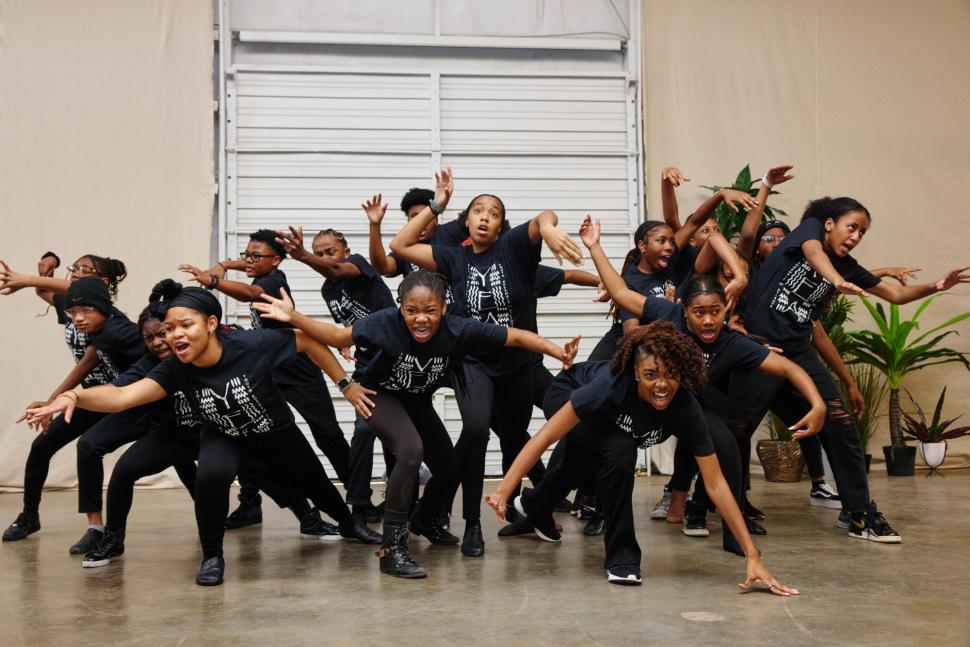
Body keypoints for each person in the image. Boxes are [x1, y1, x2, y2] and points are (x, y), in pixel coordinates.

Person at [26, 283, 382, 586]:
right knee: (211, 476)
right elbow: (122, 396)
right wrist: (73, 396)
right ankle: (212, 556)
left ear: (211, 324)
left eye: (185, 325)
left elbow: (307, 341)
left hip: (275, 433)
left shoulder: (251, 344)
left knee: (315, 482)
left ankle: (349, 525)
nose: (174, 335)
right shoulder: (174, 368)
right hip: (223, 435)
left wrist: (345, 384)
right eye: (169, 329)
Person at [255, 269, 578, 577]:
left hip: (416, 401)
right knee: (410, 451)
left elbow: (516, 336)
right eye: (411, 310)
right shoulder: (382, 324)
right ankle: (392, 548)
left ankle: (423, 519)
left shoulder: (459, 329)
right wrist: (299, 324)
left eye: (430, 311)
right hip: (378, 395)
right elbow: (337, 335)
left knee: (449, 470)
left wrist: (556, 352)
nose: (420, 318)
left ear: (444, 309)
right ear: (401, 308)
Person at [484, 321, 798, 595]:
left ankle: (533, 505)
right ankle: (622, 558)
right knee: (619, 449)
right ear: (636, 373)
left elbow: (715, 483)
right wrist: (503, 489)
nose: (662, 385)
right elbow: (544, 437)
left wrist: (752, 554)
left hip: (606, 420)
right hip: (567, 392)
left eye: (671, 374)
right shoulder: (611, 386)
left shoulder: (685, 408)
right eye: (650, 375)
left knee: (579, 465)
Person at [737, 196, 969, 542]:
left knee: (841, 422)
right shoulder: (809, 230)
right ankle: (711, 506)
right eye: (852, 227)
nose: (856, 236)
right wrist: (835, 279)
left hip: (798, 351)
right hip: (760, 347)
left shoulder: (846, 266)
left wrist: (936, 286)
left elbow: (894, 295)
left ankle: (859, 513)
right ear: (830, 224)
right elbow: (814, 253)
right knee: (736, 428)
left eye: (862, 232)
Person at [580, 216, 826, 540]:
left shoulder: (732, 342)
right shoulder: (670, 313)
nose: (708, 321)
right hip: (646, 399)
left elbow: (789, 368)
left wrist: (818, 403)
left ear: (726, 310)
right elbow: (620, 292)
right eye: (699, 313)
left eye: (715, 312)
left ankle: (732, 527)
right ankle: (594, 508)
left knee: (727, 441)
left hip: (684, 405)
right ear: (686, 311)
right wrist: (594, 247)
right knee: (610, 448)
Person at [389, 167, 584, 557]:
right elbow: (400, 244)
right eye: (478, 210)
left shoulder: (513, 249)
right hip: (473, 363)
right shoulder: (452, 257)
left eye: (493, 214)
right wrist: (436, 206)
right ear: (467, 221)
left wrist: (547, 229)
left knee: (514, 438)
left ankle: (518, 506)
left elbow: (544, 217)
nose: (485, 217)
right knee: (476, 430)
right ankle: (472, 523)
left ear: (500, 226)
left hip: (516, 365)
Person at [179, 229, 358, 529]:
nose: (249, 261)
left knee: (328, 436)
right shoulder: (263, 270)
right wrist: (226, 264)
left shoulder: (273, 281)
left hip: (298, 372)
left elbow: (251, 294)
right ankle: (251, 504)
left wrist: (213, 280)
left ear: (275, 260)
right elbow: (250, 264)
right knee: (249, 435)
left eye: (256, 256)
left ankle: (359, 499)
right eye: (247, 254)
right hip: (268, 372)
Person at [4, 276, 145, 553]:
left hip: (130, 398)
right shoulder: (89, 317)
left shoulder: (117, 328)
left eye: (86, 271)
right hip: (96, 395)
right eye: (72, 311)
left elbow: (93, 358)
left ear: (103, 286)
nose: (77, 317)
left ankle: (211, 512)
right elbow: (55, 293)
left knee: (178, 455)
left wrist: (25, 279)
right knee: (43, 445)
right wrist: (54, 401)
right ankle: (34, 517)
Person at [274, 220, 398, 525]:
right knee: (364, 428)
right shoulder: (327, 290)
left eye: (330, 251)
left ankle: (401, 499)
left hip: (396, 357)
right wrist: (344, 341)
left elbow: (338, 269)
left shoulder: (357, 264)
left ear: (346, 251)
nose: (325, 257)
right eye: (318, 253)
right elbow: (346, 322)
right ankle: (360, 504)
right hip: (368, 364)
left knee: (395, 435)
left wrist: (303, 256)